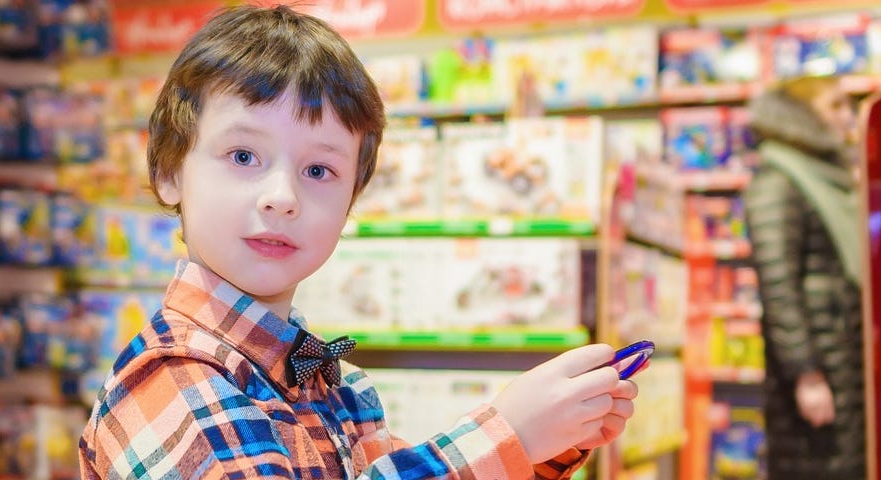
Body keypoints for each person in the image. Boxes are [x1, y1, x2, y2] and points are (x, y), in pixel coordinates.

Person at [78, 6, 638, 479]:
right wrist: (508, 433)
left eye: (319, 170)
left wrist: (545, 442)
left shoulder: (321, 371)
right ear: (170, 169)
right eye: (243, 157)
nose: (282, 196)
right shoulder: (173, 378)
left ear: (352, 200)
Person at [742, 76, 865, 479]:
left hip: (841, 360)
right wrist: (807, 375)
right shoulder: (778, 181)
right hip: (817, 369)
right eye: (835, 106)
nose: (848, 116)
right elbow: (778, 288)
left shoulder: (825, 175)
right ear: (803, 115)